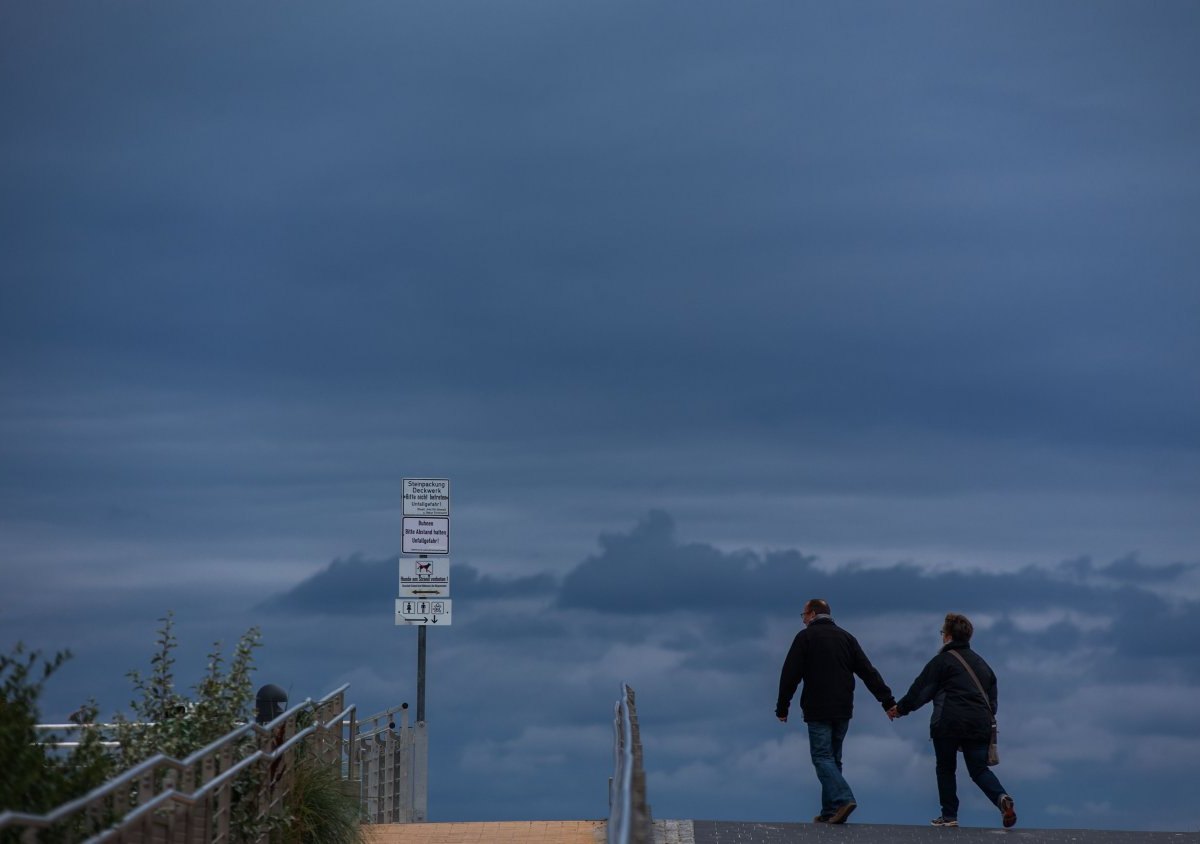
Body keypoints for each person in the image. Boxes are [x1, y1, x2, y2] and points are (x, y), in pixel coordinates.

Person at [888, 612, 1017, 829]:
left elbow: (922, 690)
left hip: (948, 721)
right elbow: (992, 702)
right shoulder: (983, 665)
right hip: (979, 723)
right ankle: (1002, 798)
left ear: (948, 636)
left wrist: (900, 709)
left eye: (942, 633)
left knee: (946, 768)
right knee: (979, 770)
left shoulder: (942, 661)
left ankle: (949, 816)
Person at [776, 598, 896, 824]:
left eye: (803, 615)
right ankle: (831, 811)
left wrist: (783, 706)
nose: (802, 620)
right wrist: (887, 701)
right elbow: (868, 671)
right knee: (834, 759)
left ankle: (843, 798)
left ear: (812, 614)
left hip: (818, 707)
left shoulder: (805, 638)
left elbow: (790, 674)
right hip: (843, 708)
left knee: (821, 757)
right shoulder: (847, 638)